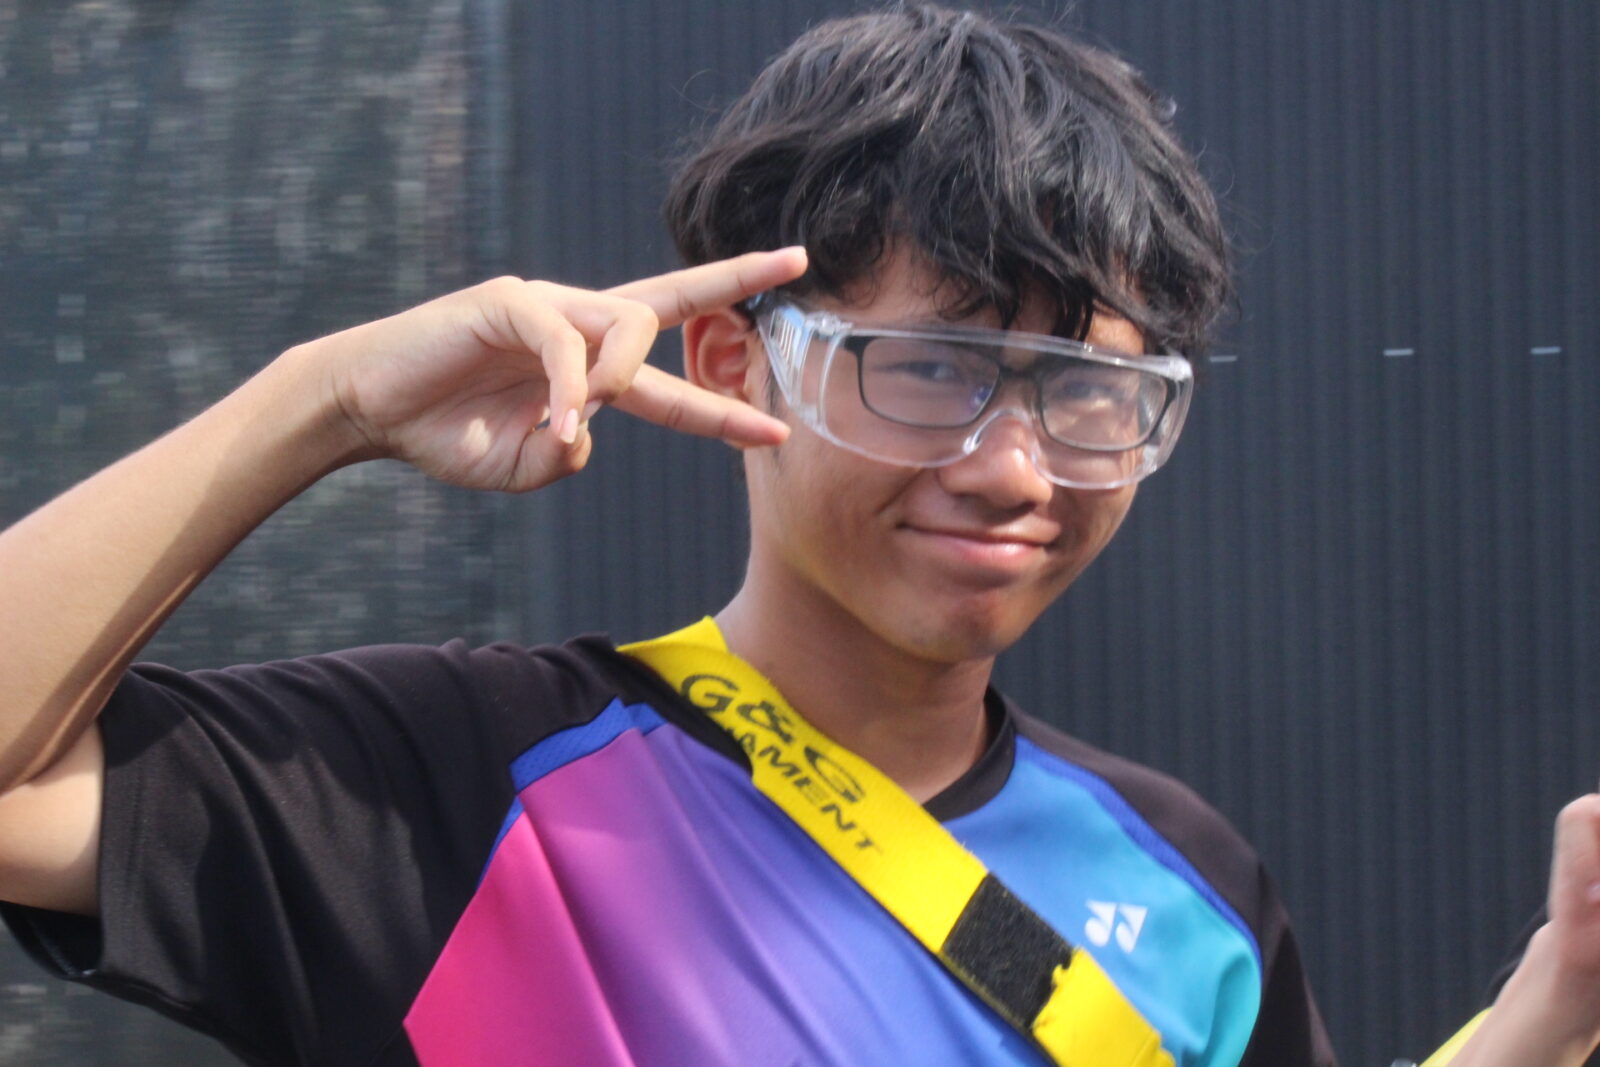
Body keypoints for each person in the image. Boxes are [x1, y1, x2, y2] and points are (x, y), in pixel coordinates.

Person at [0, 5, 1593, 1065]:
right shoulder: (461, 791)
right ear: (731, 359)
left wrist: (1556, 998)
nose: (1013, 468)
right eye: (932, 369)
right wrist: (321, 400)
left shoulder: (1186, 882)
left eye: (1090, 393)